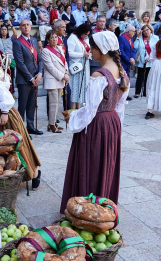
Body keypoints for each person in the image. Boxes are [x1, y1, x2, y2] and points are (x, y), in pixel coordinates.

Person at [60, 31, 129, 213]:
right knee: (105, 164)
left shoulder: (99, 76)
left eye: (93, 47)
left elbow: (91, 111)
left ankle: (86, 208)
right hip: (112, 122)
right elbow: (119, 107)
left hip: (96, 126)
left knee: (91, 164)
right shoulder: (122, 73)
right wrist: (116, 128)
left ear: (102, 50)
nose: (90, 50)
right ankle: (103, 203)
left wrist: (72, 118)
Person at [13, 19, 43, 135]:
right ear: (20, 28)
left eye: (28, 25)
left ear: (31, 27)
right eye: (23, 25)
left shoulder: (34, 40)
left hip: (35, 77)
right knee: (23, 106)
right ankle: (21, 130)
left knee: (32, 104)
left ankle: (30, 126)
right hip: (24, 80)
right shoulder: (18, 42)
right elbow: (20, 63)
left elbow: (39, 59)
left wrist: (40, 73)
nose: (26, 27)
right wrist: (31, 78)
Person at [42, 30, 69, 133]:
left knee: (57, 103)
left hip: (61, 79)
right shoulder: (46, 50)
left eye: (55, 37)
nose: (54, 39)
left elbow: (64, 62)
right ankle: (52, 124)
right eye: (51, 38)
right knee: (53, 103)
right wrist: (63, 76)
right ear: (48, 40)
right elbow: (50, 67)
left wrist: (66, 73)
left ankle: (53, 122)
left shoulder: (59, 48)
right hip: (53, 80)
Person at [67, 23, 91, 109]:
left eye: (87, 34)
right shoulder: (73, 38)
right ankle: (72, 109)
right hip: (76, 66)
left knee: (82, 87)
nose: (86, 36)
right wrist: (82, 54)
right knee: (75, 88)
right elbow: (69, 53)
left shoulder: (86, 39)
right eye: (85, 34)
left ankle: (79, 107)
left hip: (84, 65)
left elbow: (87, 49)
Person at [134, 24, 158, 98]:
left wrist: (151, 58)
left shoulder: (155, 38)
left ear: (150, 30)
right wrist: (138, 37)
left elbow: (157, 49)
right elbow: (135, 47)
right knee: (140, 76)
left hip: (151, 61)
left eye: (147, 30)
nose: (146, 32)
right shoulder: (140, 38)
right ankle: (137, 92)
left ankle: (146, 91)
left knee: (148, 77)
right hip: (142, 60)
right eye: (144, 31)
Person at [0, 23, 18, 91]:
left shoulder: (10, 39)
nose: (3, 31)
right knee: (2, 77)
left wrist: (11, 25)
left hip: (10, 60)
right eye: (2, 29)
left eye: (5, 29)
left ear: (7, 31)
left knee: (11, 77)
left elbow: (15, 34)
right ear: (0, 31)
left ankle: (12, 92)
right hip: (2, 61)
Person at [118, 24, 136, 100]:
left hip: (128, 62)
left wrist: (132, 57)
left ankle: (126, 94)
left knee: (127, 78)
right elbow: (121, 51)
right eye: (134, 31)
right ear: (129, 31)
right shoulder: (122, 38)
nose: (134, 33)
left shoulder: (130, 39)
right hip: (123, 62)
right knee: (122, 78)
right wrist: (128, 59)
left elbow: (133, 49)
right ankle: (120, 94)